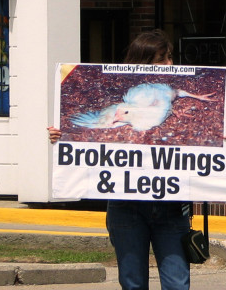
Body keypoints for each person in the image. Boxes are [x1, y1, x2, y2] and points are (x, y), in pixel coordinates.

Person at [49, 31, 192, 290]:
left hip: (171, 206)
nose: (169, 65)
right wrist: (62, 135)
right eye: (161, 59)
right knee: (132, 282)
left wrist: (224, 139)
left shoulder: (173, 97)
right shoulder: (125, 100)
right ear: (142, 62)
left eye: (169, 57)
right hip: (126, 206)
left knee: (177, 284)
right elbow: (90, 133)